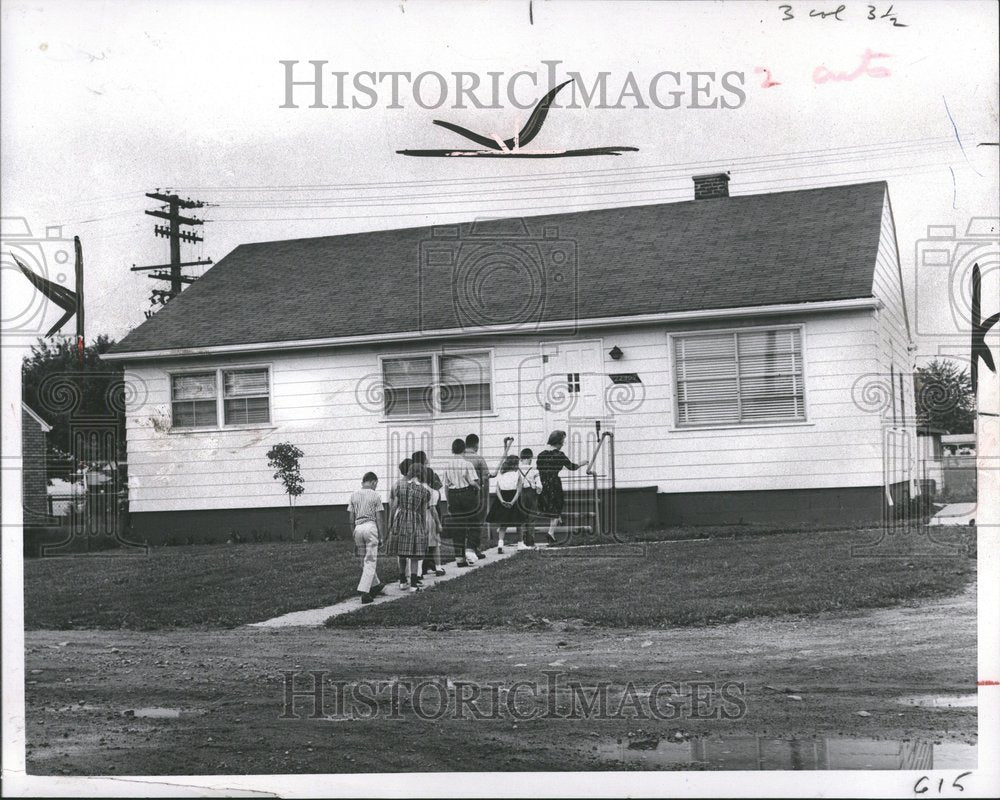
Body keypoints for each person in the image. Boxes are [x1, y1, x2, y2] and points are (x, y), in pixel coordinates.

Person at [385, 461, 431, 591]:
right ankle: (414, 584)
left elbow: (394, 506)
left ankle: (402, 581)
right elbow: (422, 512)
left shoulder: (400, 486)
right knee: (415, 555)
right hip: (415, 521)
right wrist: (424, 528)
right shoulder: (424, 491)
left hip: (401, 520)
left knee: (402, 552)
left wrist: (391, 521)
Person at [536, 430, 584, 545]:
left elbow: (539, 469)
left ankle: (557, 523)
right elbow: (572, 467)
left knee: (550, 507)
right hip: (554, 484)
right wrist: (583, 463)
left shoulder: (541, 455)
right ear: (558, 442)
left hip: (543, 484)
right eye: (562, 441)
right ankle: (550, 533)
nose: (563, 444)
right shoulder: (559, 455)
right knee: (556, 509)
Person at [348, 472, 387, 604]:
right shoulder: (375, 495)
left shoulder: (353, 495)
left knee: (363, 559)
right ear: (373, 482)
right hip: (370, 527)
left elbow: (351, 518)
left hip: (358, 528)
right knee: (370, 560)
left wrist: (353, 533)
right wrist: (382, 536)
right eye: (376, 484)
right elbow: (379, 518)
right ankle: (365, 591)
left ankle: (375, 585)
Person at [442, 437, 480, 566]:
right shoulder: (467, 464)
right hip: (466, 494)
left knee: (458, 526)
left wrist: (448, 502)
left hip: (453, 495)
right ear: (464, 449)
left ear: (453, 450)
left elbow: (446, 486)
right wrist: (478, 487)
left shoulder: (448, 465)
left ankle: (459, 558)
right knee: (474, 521)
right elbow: (472, 481)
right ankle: (470, 549)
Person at [487, 455, 526, 553]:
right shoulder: (517, 474)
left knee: (503, 523)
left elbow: (497, 489)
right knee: (519, 522)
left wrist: (502, 501)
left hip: (502, 498)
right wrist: (512, 501)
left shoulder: (501, 474)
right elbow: (519, 490)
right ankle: (520, 544)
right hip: (514, 497)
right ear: (515, 465)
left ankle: (500, 544)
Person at [464, 433, 490, 558]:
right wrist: (485, 497)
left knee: (464, 523)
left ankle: (463, 550)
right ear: (476, 444)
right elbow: (485, 479)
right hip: (476, 495)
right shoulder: (479, 459)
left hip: (459, 495)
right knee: (476, 522)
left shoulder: (459, 458)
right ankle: (474, 549)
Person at [517, 448, 541, 549]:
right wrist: (538, 490)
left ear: (521, 458)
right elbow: (539, 484)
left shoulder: (517, 469)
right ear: (529, 458)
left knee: (521, 517)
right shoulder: (534, 469)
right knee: (531, 517)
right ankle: (530, 541)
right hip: (531, 493)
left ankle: (521, 541)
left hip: (520, 493)